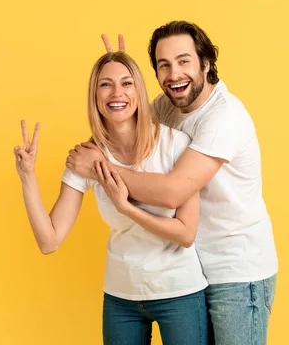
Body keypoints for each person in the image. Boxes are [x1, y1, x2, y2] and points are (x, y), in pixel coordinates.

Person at [67, 21, 278, 345]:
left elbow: (173, 192)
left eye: (183, 61)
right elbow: (126, 129)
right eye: (163, 65)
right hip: (193, 268)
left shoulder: (223, 117)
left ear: (206, 63)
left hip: (236, 270)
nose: (174, 74)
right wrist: (119, 78)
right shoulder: (168, 107)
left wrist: (99, 168)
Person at [14, 51, 209, 345]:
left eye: (127, 83)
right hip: (121, 299)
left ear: (139, 90)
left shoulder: (174, 145)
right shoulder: (86, 158)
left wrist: (125, 207)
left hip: (178, 292)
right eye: (106, 85)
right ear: (94, 95)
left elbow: (186, 234)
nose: (117, 93)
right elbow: (49, 240)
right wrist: (27, 176)